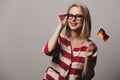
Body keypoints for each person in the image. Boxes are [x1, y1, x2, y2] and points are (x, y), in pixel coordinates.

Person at [42, 2, 98, 80]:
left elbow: (86, 77)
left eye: (78, 16)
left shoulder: (91, 47)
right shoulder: (61, 39)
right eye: (71, 16)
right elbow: (47, 51)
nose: (73, 19)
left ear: (85, 19)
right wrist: (60, 26)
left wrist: (87, 57)